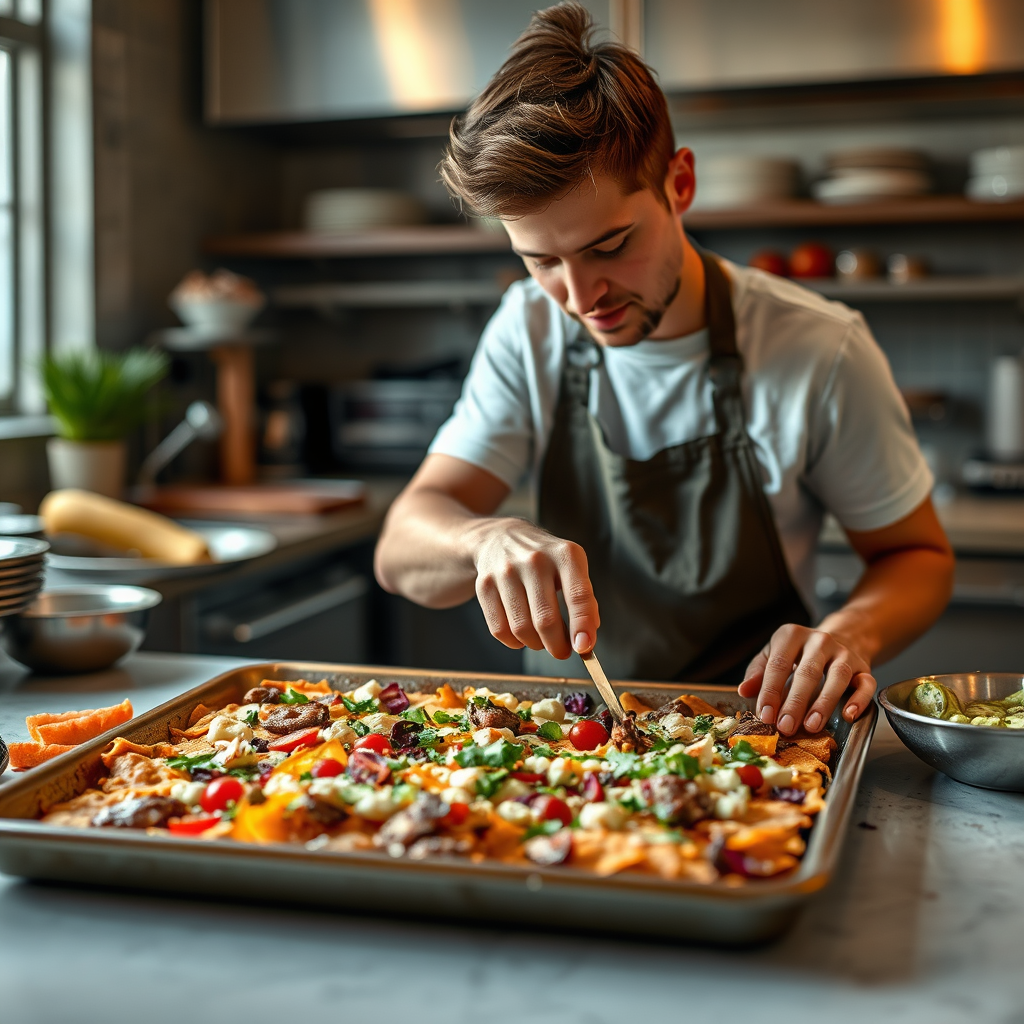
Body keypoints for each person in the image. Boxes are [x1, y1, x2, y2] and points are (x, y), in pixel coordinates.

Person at [374, 2, 954, 736]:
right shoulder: (528, 327)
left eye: (610, 246)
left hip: (747, 741)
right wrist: (480, 540)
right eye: (541, 260)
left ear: (679, 185)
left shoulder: (819, 348)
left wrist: (852, 632)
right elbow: (401, 550)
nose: (580, 297)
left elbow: (918, 557)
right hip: (563, 745)